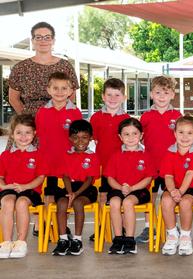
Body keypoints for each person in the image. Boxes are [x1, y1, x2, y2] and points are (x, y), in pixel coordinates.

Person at [137, 75, 182, 243]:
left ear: (172, 95)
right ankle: (149, 227)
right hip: (151, 164)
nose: (162, 96)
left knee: (172, 195)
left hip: (171, 166)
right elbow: (139, 139)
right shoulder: (146, 117)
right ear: (150, 94)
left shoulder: (177, 115)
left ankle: (173, 225)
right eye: (157, 92)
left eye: (166, 92)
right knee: (151, 196)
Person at [104, 118, 154, 255]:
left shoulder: (146, 156)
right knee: (114, 202)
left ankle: (130, 239)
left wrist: (132, 189)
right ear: (120, 136)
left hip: (140, 191)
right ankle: (119, 238)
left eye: (134, 133)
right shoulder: (115, 155)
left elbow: (148, 178)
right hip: (119, 189)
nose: (131, 137)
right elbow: (110, 178)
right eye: (126, 134)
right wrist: (121, 188)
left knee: (127, 202)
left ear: (141, 135)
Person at [90, 78, 130, 242]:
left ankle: (122, 227)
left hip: (122, 167)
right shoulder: (96, 118)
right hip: (102, 165)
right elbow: (96, 141)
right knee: (103, 197)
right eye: (109, 95)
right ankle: (102, 226)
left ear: (124, 97)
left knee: (121, 198)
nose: (113, 98)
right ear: (103, 96)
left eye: (117, 95)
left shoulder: (127, 119)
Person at [8, 22, 78, 116]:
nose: (43, 41)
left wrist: (61, 114)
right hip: (30, 121)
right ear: (32, 40)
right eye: (38, 37)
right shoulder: (20, 68)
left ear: (53, 41)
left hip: (59, 117)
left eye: (47, 37)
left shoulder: (65, 66)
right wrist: (26, 119)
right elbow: (13, 98)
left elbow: (72, 94)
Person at [159, 116, 193, 256]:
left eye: (189, 133)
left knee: (185, 202)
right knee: (166, 200)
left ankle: (185, 236)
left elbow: (189, 175)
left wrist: (180, 192)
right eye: (181, 132)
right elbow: (168, 176)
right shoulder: (169, 152)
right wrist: (173, 191)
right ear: (174, 133)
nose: (185, 137)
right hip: (174, 187)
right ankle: (172, 234)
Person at [52, 120, 100, 256]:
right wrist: (70, 192)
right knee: (61, 203)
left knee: (78, 203)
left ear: (90, 138)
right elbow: (65, 176)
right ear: (70, 139)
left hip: (86, 188)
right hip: (69, 187)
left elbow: (90, 179)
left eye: (84, 137)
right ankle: (63, 239)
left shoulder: (93, 157)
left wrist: (76, 194)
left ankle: (77, 240)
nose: (80, 141)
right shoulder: (66, 155)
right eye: (75, 137)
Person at [0, 115, 45, 258]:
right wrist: (5, 186)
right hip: (10, 189)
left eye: (27, 132)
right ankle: (6, 243)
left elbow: (40, 177)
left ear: (34, 134)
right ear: (12, 134)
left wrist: (25, 186)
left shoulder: (39, 155)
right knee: (7, 202)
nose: (23, 137)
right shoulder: (5, 155)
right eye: (19, 132)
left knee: (21, 203)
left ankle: (21, 242)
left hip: (30, 191)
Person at [36, 72, 82, 210]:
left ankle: (62, 226)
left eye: (64, 88)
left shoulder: (75, 113)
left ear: (70, 91)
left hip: (68, 162)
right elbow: (38, 136)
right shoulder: (42, 112)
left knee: (66, 196)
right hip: (48, 161)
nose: (60, 92)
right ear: (48, 90)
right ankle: (47, 224)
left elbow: (79, 139)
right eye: (55, 88)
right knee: (49, 194)